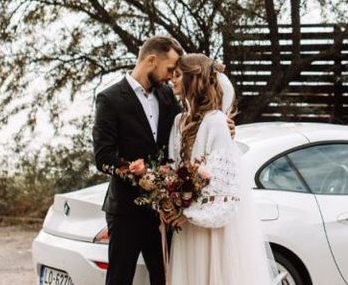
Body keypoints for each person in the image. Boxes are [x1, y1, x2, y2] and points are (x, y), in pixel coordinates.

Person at [167, 53, 279, 285]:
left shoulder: (216, 121)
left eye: (178, 75)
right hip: (185, 230)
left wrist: (188, 214)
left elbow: (224, 185)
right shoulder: (179, 122)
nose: (172, 80)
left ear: (193, 79)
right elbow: (172, 168)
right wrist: (170, 198)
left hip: (208, 230)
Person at [92, 36, 184, 285]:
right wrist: (143, 178)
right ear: (152, 60)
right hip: (125, 210)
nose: (171, 76)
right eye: (169, 69)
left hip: (163, 212)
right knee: (120, 279)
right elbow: (103, 156)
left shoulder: (167, 97)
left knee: (165, 279)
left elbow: (185, 132)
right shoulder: (110, 99)